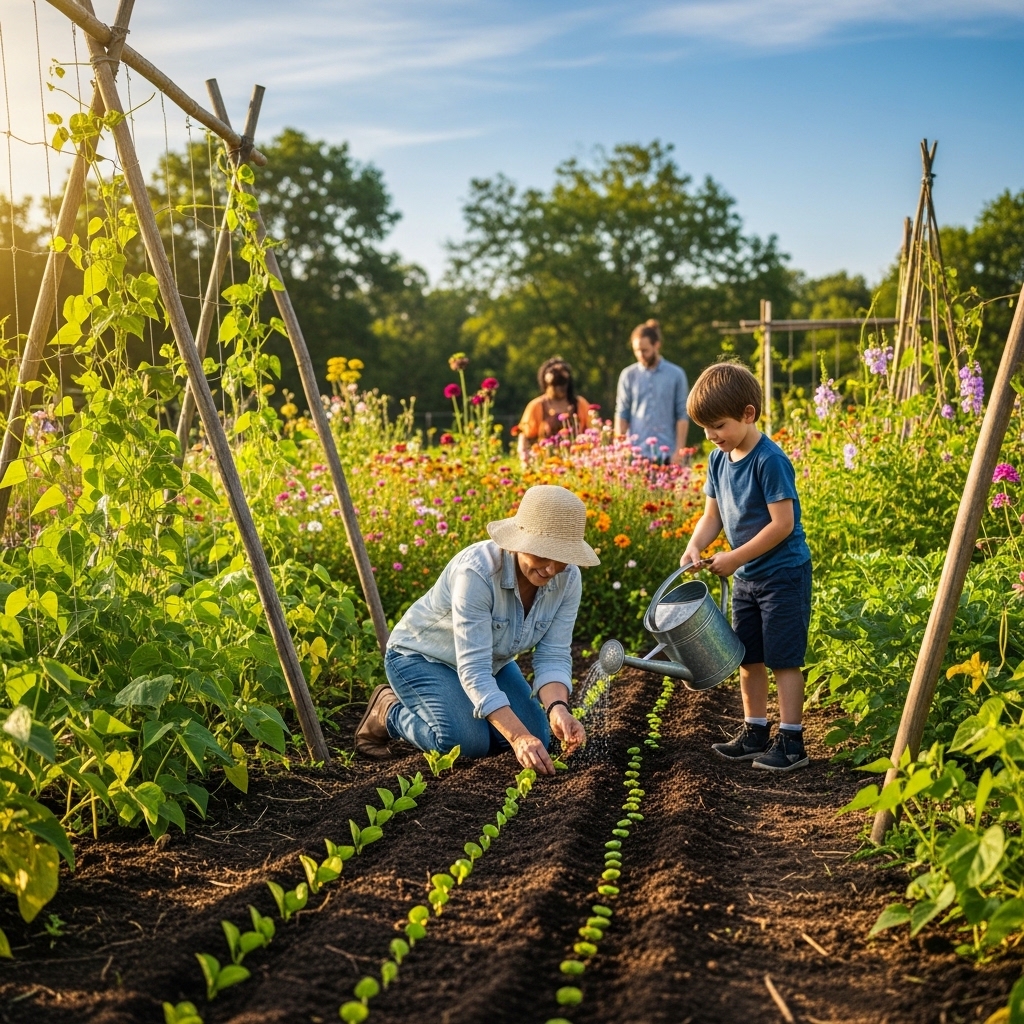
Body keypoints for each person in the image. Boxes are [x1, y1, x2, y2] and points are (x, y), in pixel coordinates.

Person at [354, 485, 597, 775]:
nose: (551, 568)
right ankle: (389, 712)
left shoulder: (568, 579)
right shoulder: (478, 573)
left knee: (540, 736)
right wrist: (518, 737)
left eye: (562, 557)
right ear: (520, 541)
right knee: (465, 743)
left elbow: (553, 654)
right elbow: (474, 669)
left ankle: (469, 716)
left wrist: (558, 708)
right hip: (422, 658)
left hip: (491, 664)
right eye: (543, 554)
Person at [678, 361, 812, 773]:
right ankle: (755, 731)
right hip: (749, 578)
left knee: (783, 658)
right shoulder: (719, 460)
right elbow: (713, 515)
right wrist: (696, 543)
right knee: (746, 657)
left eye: (718, 425)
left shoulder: (768, 461)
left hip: (783, 575)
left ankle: (792, 741)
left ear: (748, 414)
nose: (712, 436)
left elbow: (782, 524)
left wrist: (734, 557)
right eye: (704, 429)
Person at [614, 320, 689, 464]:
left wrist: (679, 450)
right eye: (636, 350)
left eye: (645, 350)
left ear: (656, 345)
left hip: (667, 451)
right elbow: (622, 413)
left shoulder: (676, 374)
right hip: (637, 453)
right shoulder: (628, 375)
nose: (640, 354)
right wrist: (619, 448)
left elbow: (682, 415)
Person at [517, 358, 592, 463]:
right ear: (547, 384)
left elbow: (592, 433)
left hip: (576, 462)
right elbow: (525, 436)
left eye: (563, 384)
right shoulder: (536, 406)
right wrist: (525, 458)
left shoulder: (580, 404)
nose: (560, 389)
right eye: (556, 385)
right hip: (545, 463)